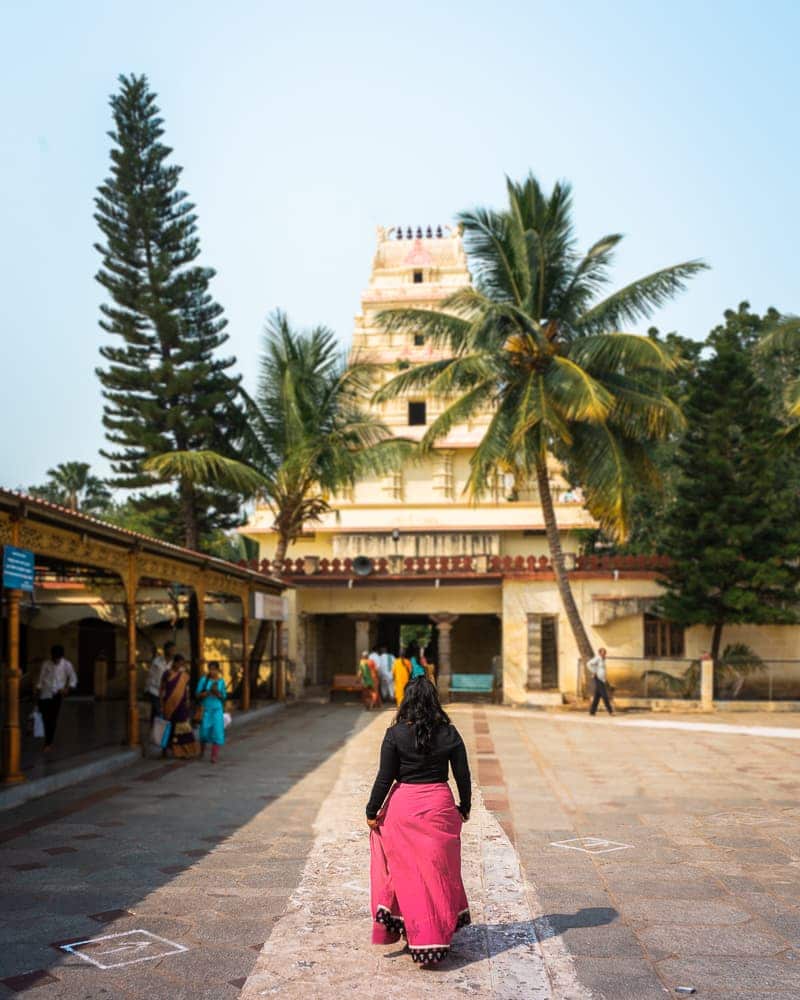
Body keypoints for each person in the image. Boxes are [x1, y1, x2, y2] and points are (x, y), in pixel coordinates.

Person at [366, 677, 471, 967]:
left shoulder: (395, 734)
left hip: (404, 810)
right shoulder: (449, 733)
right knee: (438, 873)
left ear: (406, 700)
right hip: (439, 807)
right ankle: (437, 933)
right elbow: (462, 775)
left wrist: (371, 811)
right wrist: (465, 806)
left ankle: (413, 931)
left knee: (407, 874)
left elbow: (384, 778)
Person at [36, 644, 77, 752]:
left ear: (61, 657)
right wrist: (37, 690)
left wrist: (67, 688)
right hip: (45, 693)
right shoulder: (46, 664)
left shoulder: (67, 665)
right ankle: (44, 736)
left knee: (52, 719)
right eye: (55, 658)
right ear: (52, 656)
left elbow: (73, 678)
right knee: (45, 718)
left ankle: (48, 743)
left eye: (58, 658)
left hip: (57, 695)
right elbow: (41, 679)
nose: (56, 660)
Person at [160, 653, 200, 757]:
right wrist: (161, 703)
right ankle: (165, 750)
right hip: (169, 704)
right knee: (169, 727)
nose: (180, 666)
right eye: (179, 663)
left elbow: (187, 690)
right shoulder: (167, 673)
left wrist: (187, 702)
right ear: (174, 662)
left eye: (182, 664)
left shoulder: (184, 675)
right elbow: (162, 689)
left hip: (181, 705)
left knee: (183, 727)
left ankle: (184, 751)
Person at [196, 660, 227, 763]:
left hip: (217, 709)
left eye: (214, 669)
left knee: (217, 732)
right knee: (204, 732)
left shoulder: (221, 681)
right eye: (210, 669)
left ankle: (214, 755)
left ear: (218, 670)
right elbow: (197, 694)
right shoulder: (204, 680)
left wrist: (217, 693)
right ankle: (202, 751)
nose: (212, 671)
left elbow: (224, 697)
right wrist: (208, 692)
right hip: (206, 709)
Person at [146, 641, 175, 722]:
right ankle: (156, 730)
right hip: (155, 690)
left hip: (167, 691)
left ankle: (155, 730)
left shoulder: (174, 663)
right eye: (171, 649)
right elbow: (150, 675)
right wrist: (147, 689)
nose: (172, 651)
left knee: (157, 712)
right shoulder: (156, 661)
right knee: (158, 711)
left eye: (173, 650)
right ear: (165, 650)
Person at [588, 647, 614, 715]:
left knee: (597, 696)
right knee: (605, 696)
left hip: (602, 679)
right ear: (599, 653)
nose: (604, 654)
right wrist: (594, 672)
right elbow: (589, 664)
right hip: (598, 678)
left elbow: (602, 670)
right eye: (603, 653)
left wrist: (605, 679)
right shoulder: (598, 658)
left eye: (605, 653)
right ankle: (610, 711)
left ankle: (592, 711)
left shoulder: (602, 659)